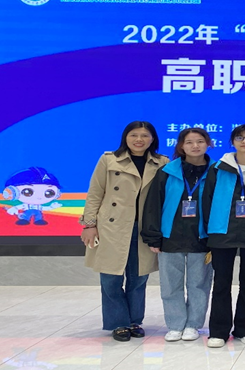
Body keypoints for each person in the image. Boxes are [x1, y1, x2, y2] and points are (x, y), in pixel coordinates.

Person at [80, 121, 168, 342]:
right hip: (112, 226)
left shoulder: (162, 163)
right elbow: (95, 193)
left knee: (138, 278)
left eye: (144, 135)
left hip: (145, 228)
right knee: (110, 278)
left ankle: (134, 321)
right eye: (134, 135)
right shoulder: (109, 160)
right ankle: (119, 323)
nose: (139, 140)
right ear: (125, 138)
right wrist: (89, 225)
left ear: (153, 139)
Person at [201, 124, 245, 348]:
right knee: (221, 283)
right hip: (222, 231)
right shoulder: (218, 168)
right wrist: (207, 231)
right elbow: (207, 200)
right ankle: (218, 331)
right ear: (232, 142)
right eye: (240, 137)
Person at [141, 127, 216, 342]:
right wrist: (153, 236)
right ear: (181, 146)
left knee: (199, 284)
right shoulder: (167, 172)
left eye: (200, 141)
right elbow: (153, 205)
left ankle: (193, 324)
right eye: (189, 142)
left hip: (202, 237)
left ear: (208, 144)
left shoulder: (217, 171)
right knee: (170, 284)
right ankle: (175, 324)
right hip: (170, 236)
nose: (195, 146)